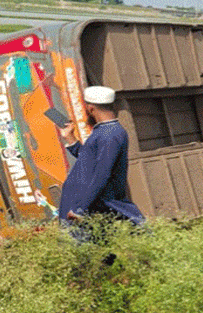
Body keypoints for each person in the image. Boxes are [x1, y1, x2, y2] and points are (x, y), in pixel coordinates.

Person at [58, 86, 144, 225]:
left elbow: (101, 173)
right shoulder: (104, 131)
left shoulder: (110, 134)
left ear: (91, 108)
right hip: (81, 204)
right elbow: (89, 161)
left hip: (84, 207)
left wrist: (80, 208)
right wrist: (70, 138)